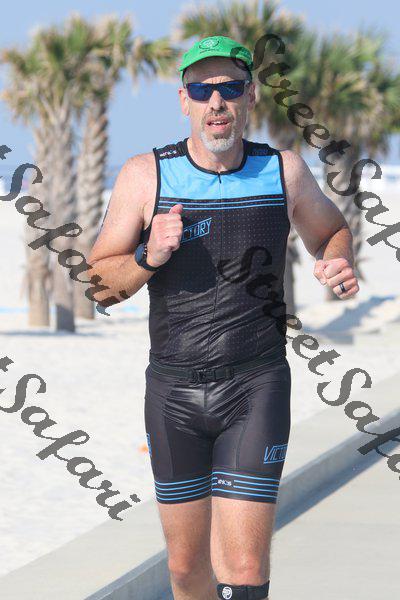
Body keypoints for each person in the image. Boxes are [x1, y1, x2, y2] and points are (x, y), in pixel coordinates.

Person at [88, 35, 359, 600]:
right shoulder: (146, 175)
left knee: (243, 566)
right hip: (173, 393)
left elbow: (331, 229)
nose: (216, 101)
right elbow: (98, 285)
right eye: (201, 90)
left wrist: (336, 258)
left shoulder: (282, 170)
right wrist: (148, 256)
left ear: (250, 96)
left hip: (255, 385)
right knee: (186, 569)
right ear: (183, 100)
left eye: (230, 88)